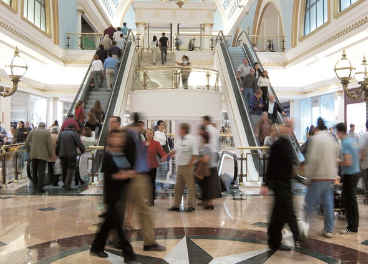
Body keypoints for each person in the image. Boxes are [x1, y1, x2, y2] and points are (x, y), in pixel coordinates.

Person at [121, 113, 167, 252]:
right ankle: (115, 239)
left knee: (143, 211)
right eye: (142, 127)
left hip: (139, 176)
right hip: (133, 177)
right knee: (123, 211)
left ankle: (149, 242)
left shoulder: (135, 137)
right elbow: (119, 154)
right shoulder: (128, 136)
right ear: (137, 125)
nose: (145, 131)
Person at [90, 130, 137, 263]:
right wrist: (129, 174)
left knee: (107, 225)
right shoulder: (108, 156)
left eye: (121, 138)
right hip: (112, 198)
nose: (120, 140)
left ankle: (96, 247)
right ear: (110, 139)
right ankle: (129, 255)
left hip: (120, 195)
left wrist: (128, 173)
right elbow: (114, 175)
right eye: (116, 138)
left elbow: (125, 170)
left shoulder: (120, 153)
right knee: (119, 229)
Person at [261, 119, 302, 251]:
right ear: (283, 128)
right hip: (279, 184)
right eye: (288, 126)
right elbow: (271, 165)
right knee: (285, 212)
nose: (290, 129)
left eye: (292, 127)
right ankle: (295, 239)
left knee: (280, 213)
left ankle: (276, 240)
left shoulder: (286, 143)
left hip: (285, 183)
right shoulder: (279, 144)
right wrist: (265, 184)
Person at [304, 117, 337, 238]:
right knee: (328, 204)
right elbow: (335, 156)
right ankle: (328, 230)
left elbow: (313, 159)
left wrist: (308, 177)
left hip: (318, 176)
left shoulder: (315, 139)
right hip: (329, 176)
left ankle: (302, 228)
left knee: (309, 203)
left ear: (317, 127)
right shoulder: (331, 139)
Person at [336, 122, 360, 234]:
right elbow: (359, 155)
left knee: (349, 200)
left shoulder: (345, 143)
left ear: (340, 132)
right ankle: (353, 225)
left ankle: (352, 227)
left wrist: (338, 162)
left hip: (349, 175)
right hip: (356, 172)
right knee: (352, 200)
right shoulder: (353, 140)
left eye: (337, 132)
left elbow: (347, 161)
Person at [169, 123, 198, 212]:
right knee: (178, 186)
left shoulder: (191, 139)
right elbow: (175, 150)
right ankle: (176, 205)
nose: (178, 131)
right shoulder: (179, 140)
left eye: (180, 129)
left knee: (190, 187)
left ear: (184, 130)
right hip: (180, 166)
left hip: (188, 167)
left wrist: (190, 164)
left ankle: (191, 205)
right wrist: (167, 156)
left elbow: (195, 154)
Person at [144, 128, 172, 206]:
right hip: (144, 166)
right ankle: (147, 198)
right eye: (147, 133)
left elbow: (161, 151)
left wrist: (164, 157)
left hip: (152, 165)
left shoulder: (156, 143)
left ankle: (151, 200)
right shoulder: (143, 143)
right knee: (146, 183)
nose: (148, 135)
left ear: (153, 135)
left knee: (151, 183)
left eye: (150, 133)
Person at [25, 122, 53, 193]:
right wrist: (50, 154)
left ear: (38, 126)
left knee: (34, 170)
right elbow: (49, 145)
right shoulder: (46, 133)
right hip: (43, 155)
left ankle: (35, 185)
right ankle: (40, 188)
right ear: (44, 127)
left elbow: (26, 142)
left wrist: (28, 150)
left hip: (33, 154)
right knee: (41, 172)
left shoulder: (32, 132)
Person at [55, 124, 85, 190]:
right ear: (73, 128)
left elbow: (57, 144)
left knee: (64, 168)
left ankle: (64, 183)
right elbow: (79, 143)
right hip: (71, 155)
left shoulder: (61, 134)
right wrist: (83, 150)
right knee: (70, 169)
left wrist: (57, 153)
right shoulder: (74, 134)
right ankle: (67, 185)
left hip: (62, 154)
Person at [197, 132, 222, 210]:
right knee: (210, 186)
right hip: (213, 168)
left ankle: (209, 203)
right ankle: (209, 203)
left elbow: (205, 159)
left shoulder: (205, 147)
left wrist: (199, 159)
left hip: (208, 169)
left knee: (208, 186)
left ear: (204, 139)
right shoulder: (210, 146)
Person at [359, 120, 368, 205]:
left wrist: (361, 157)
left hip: (366, 164)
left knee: (366, 183)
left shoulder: (364, 135)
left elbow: (361, 149)